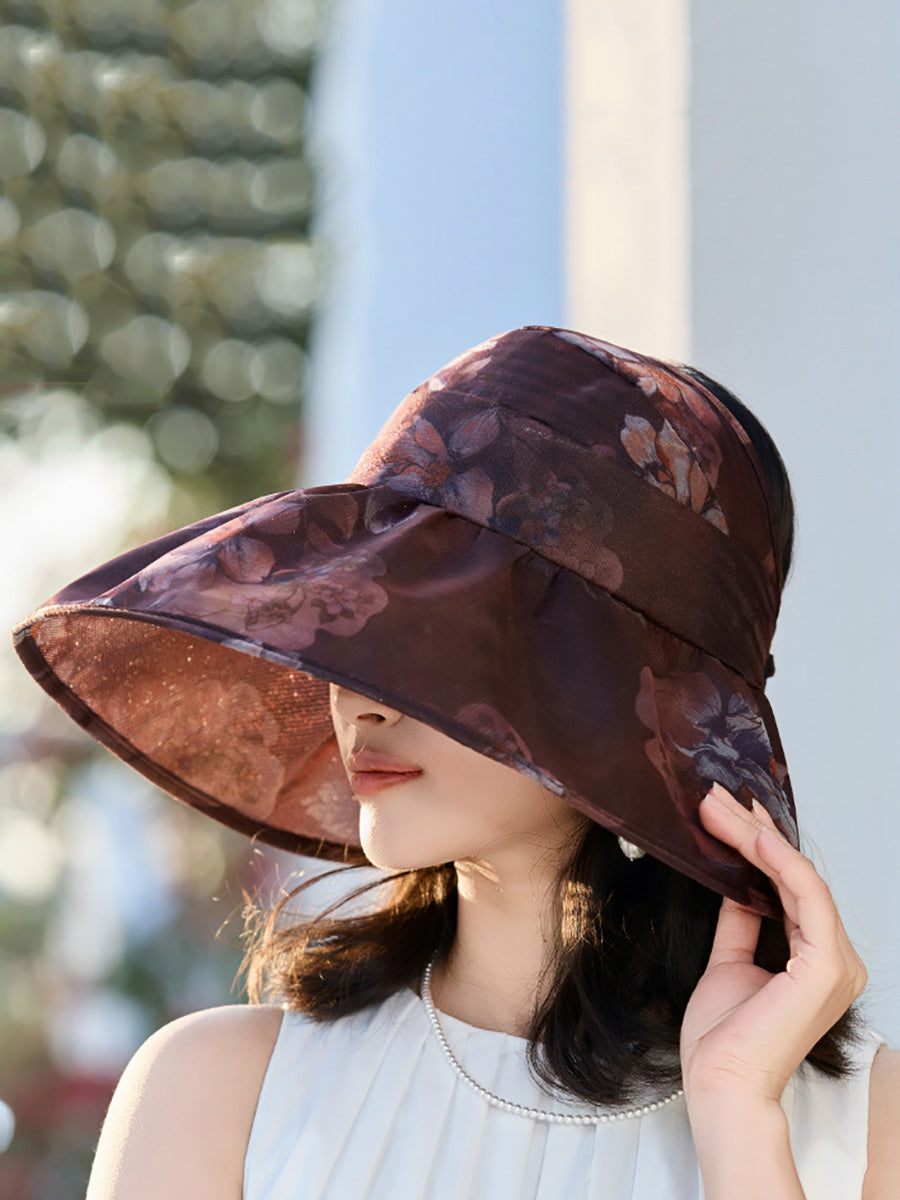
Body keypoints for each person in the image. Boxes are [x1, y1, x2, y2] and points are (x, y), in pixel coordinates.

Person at [12, 325, 899, 1198]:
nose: (364, 697)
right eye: (365, 621)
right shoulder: (220, 1093)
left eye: (440, 630)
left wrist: (741, 1123)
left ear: (620, 687)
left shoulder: (866, 1128)